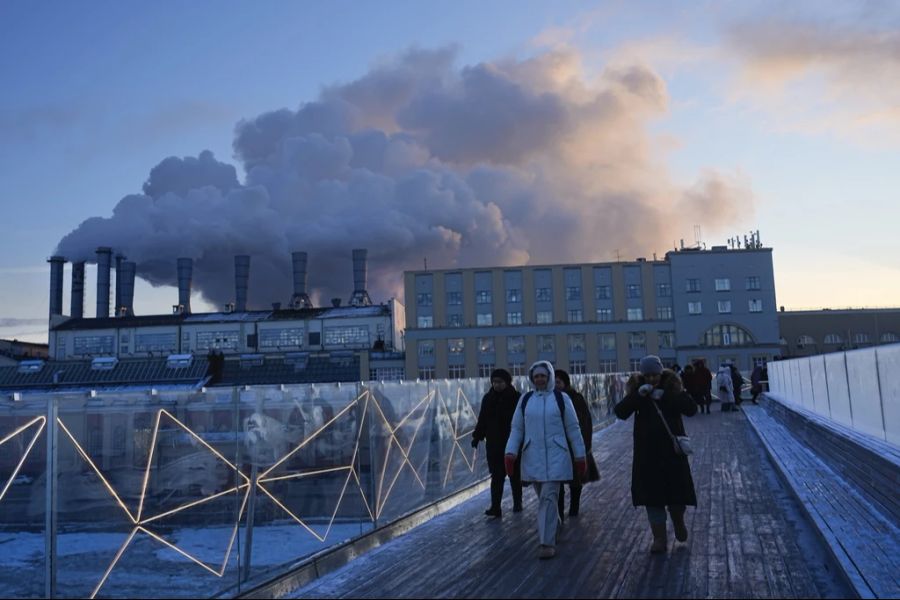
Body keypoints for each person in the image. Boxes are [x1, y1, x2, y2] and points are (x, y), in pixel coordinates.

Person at [614, 355, 697, 554]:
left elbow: (691, 409)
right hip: (647, 456)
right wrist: (638, 396)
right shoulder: (638, 391)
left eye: (655, 375)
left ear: (661, 373)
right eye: (648, 375)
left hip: (672, 454)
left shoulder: (673, 387)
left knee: (677, 497)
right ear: (642, 375)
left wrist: (666, 395)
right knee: (652, 499)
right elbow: (620, 411)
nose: (652, 379)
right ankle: (659, 538)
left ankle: (678, 522)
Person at [505, 361, 586, 559]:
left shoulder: (561, 399)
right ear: (532, 379)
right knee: (544, 497)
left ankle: (546, 543)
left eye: (543, 375)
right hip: (533, 455)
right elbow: (517, 429)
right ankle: (555, 524)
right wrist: (511, 452)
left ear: (549, 377)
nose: (540, 379)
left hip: (557, 455)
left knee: (549, 497)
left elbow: (573, 428)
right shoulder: (525, 400)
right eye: (536, 376)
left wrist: (580, 455)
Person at [472, 368, 523, 517]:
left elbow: (522, 421)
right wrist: (477, 436)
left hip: (512, 444)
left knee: (515, 475)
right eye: (494, 382)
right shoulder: (488, 399)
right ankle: (496, 507)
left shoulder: (516, 398)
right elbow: (483, 419)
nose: (496, 385)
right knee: (497, 477)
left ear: (507, 382)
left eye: (500, 382)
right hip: (494, 444)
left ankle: (517, 502)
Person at [555, 369, 592, 519]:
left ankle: (574, 508)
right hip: (557, 445)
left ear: (565, 383)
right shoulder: (550, 399)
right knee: (558, 480)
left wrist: (585, 445)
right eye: (554, 382)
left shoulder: (575, 398)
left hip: (573, 444)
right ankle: (559, 511)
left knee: (575, 479)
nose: (556, 385)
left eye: (559, 382)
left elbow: (585, 422)